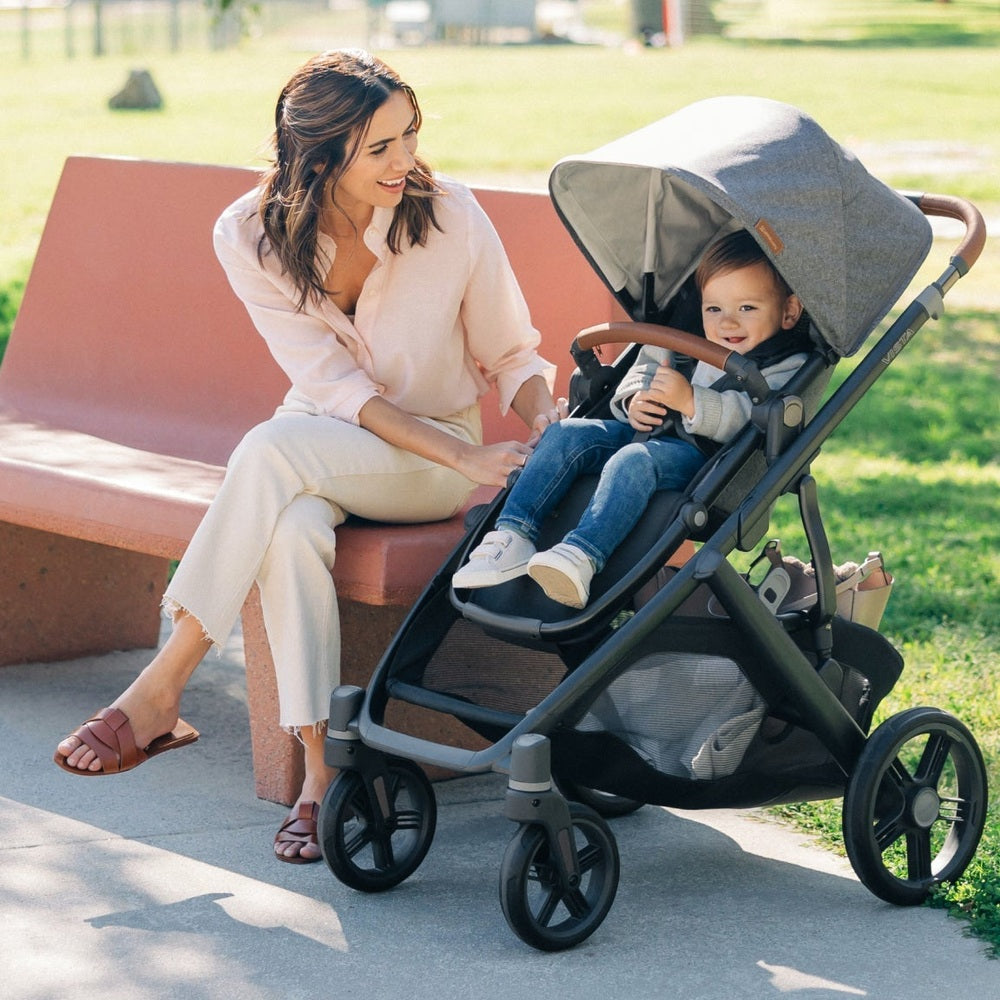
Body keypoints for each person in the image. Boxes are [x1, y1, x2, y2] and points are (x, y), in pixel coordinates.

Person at [53, 49, 567, 863]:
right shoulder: (247, 232)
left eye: (410, 135)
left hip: (435, 459)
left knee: (267, 451)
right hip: (322, 440)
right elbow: (331, 388)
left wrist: (547, 424)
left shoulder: (452, 215)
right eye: (381, 148)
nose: (406, 161)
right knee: (288, 526)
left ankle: (163, 685)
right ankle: (322, 778)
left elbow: (511, 354)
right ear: (318, 156)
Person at [452, 229, 809, 609]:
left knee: (633, 460)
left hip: (701, 459)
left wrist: (691, 402)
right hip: (640, 430)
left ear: (788, 311)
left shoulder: (785, 363)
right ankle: (512, 535)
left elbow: (751, 420)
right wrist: (634, 400)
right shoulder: (684, 334)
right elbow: (641, 371)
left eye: (747, 309)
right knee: (565, 433)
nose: (727, 324)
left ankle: (582, 555)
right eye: (714, 309)